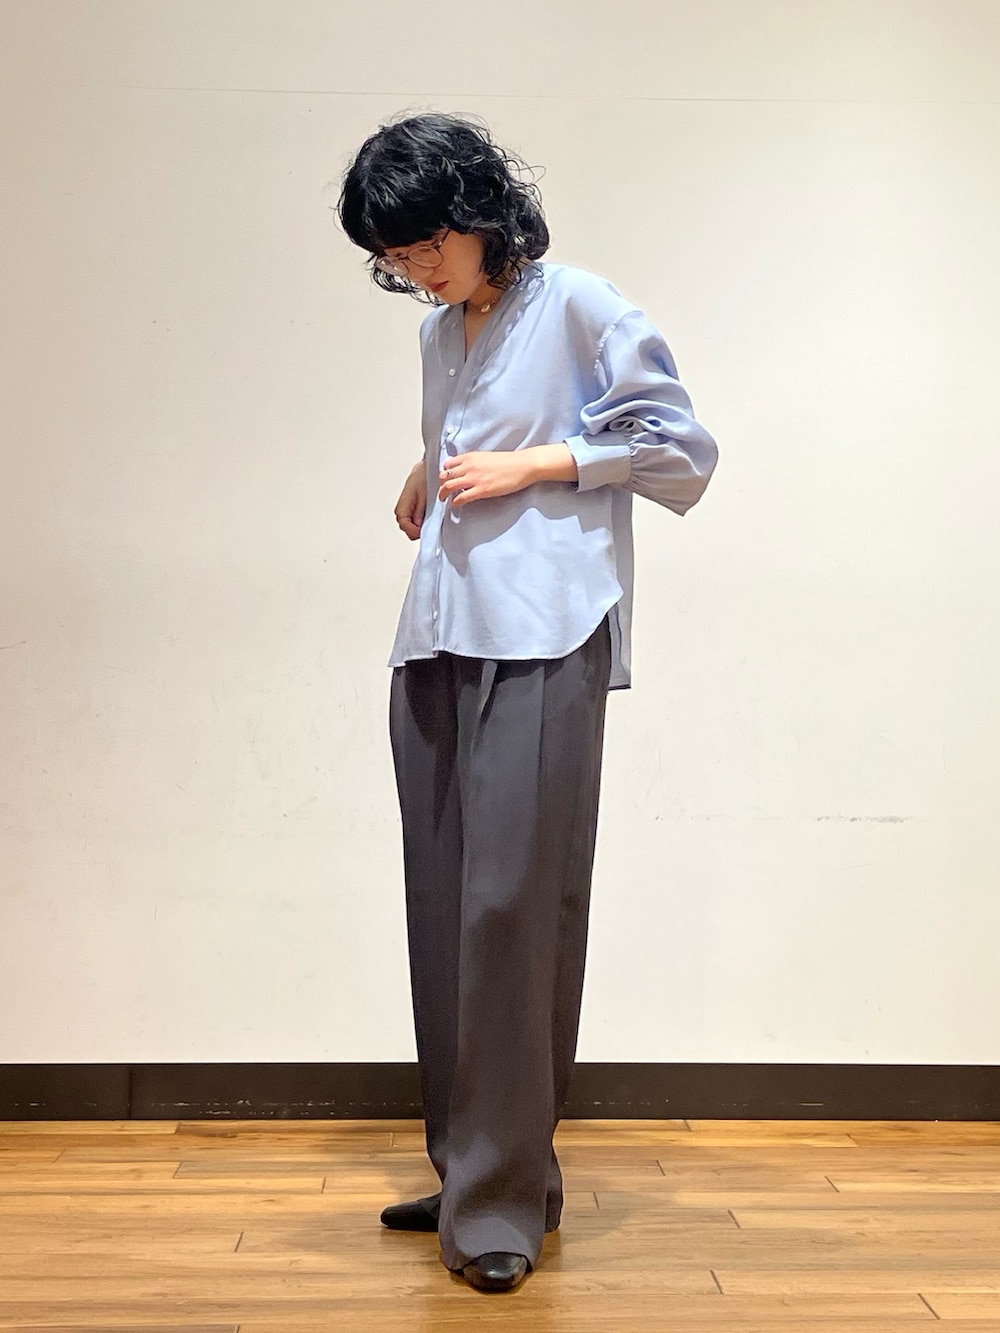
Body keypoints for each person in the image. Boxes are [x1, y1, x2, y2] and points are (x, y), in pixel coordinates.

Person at [337, 111, 718, 1293]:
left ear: (477, 209)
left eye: (425, 243)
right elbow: (473, 426)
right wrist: (432, 461)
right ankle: (472, 1168)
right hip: (439, 631)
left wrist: (539, 460)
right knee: (445, 910)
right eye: (394, 256)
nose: (415, 269)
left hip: (545, 632)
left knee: (513, 911)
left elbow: (680, 450)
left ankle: (501, 1200)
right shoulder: (440, 334)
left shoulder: (580, 304)